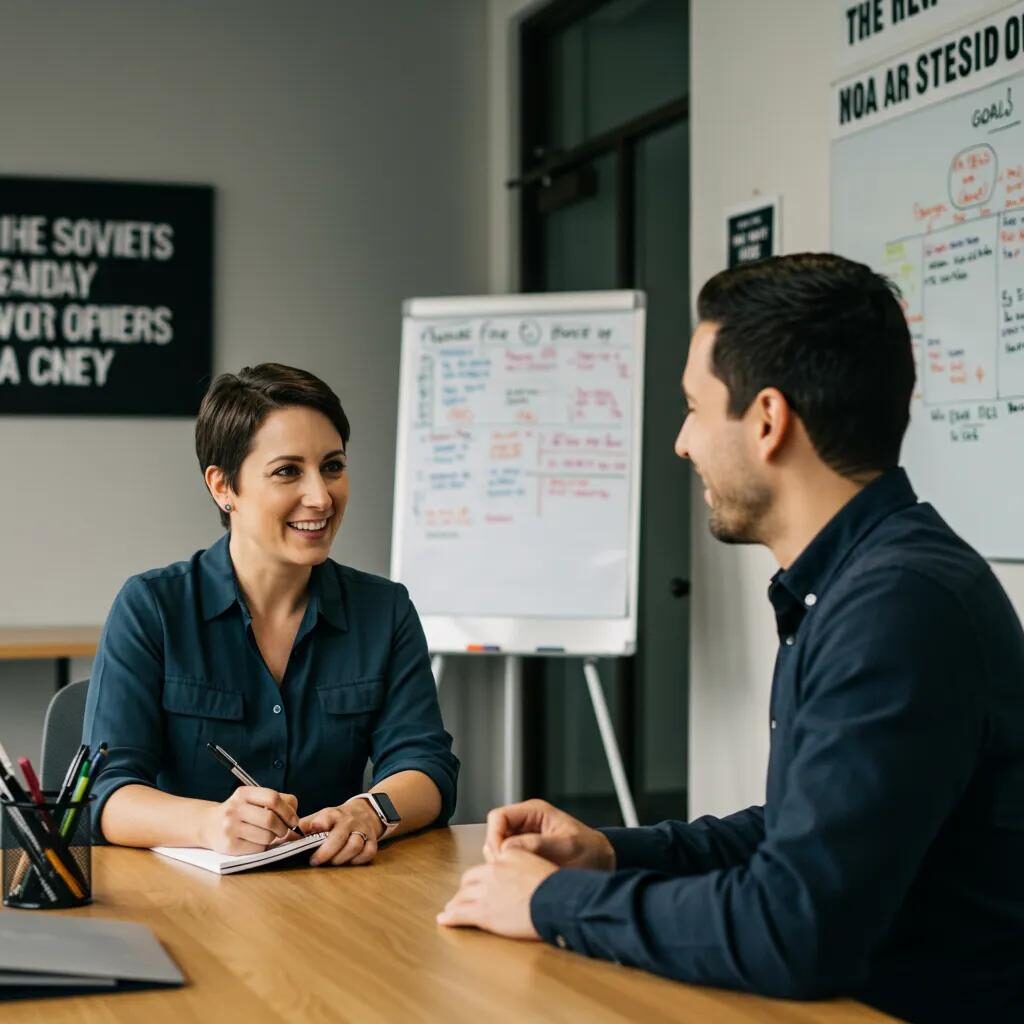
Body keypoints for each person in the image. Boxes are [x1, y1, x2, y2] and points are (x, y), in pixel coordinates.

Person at [438, 254, 1024, 1022]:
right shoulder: (867, 580)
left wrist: (553, 902)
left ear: (769, 420)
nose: (683, 443)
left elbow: (793, 926)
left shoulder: (897, 608)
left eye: (694, 408)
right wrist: (609, 852)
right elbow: (802, 833)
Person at [84, 363, 458, 866]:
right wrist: (208, 824)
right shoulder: (152, 607)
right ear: (223, 487)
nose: (321, 497)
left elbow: (427, 766)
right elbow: (105, 793)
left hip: (336, 890)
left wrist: (370, 811)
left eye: (332, 466)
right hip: (188, 898)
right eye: (287, 471)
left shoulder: (384, 610)